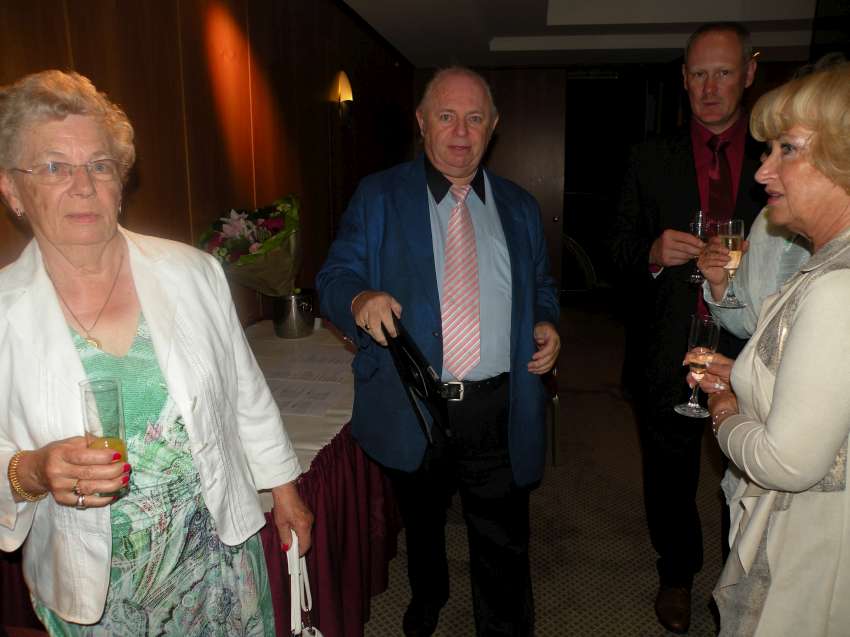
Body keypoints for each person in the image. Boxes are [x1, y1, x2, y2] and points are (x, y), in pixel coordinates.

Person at [0, 70, 313, 635]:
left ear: (120, 182)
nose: (83, 185)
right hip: (98, 592)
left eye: (100, 165)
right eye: (53, 167)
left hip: (220, 564)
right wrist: (32, 471)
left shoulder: (192, 273)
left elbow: (244, 391)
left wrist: (285, 489)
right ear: (12, 191)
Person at [316, 67, 560, 636]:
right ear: (422, 122)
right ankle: (429, 593)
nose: (461, 131)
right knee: (422, 519)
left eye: (475, 118)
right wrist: (359, 297)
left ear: (493, 127)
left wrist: (546, 323)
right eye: (446, 116)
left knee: (503, 537)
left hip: (497, 402)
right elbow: (334, 277)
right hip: (413, 401)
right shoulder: (378, 196)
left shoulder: (520, 206)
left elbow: (542, 287)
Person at [608, 22, 764, 633]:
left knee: (747, 471)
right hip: (668, 346)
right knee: (668, 474)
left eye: (723, 73)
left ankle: (736, 580)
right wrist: (651, 251)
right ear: (683, 78)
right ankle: (676, 573)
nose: (710, 87)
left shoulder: (778, 157)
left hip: (752, 347)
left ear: (749, 72)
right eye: (698, 74)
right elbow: (615, 250)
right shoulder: (649, 155)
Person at [704, 62, 850, 636]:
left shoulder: (837, 286)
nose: (763, 170)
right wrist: (743, 375)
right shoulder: (828, 265)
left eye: (786, 148)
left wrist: (724, 410)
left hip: (809, 554)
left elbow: (787, 463)